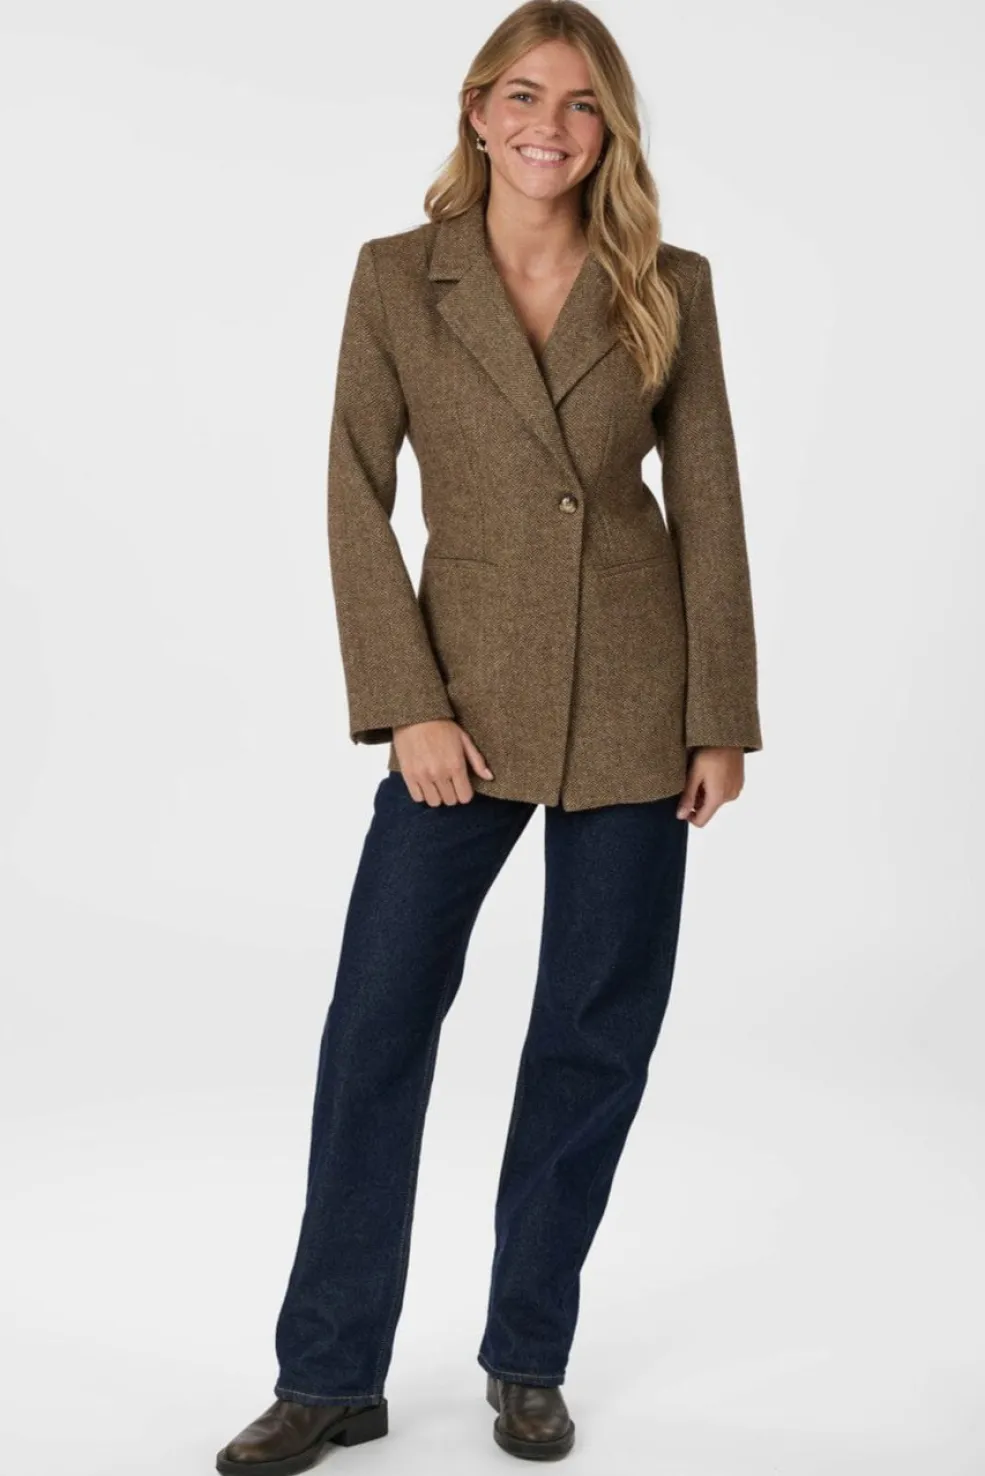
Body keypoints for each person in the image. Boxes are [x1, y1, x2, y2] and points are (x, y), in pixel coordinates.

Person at [216, 0, 763, 1468]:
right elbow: (354, 491)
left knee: (593, 1032)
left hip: (639, 695)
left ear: (609, 129)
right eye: (523, 96)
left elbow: (708, 502)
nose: (548, 126)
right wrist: (409, 702)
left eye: (580, 104)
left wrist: (719, 715)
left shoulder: (670, 282)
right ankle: (331, 1373)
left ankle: (529, 1355)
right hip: (457, 701)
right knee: (377, 1024)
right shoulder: (400, 277)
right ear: (477, 110)